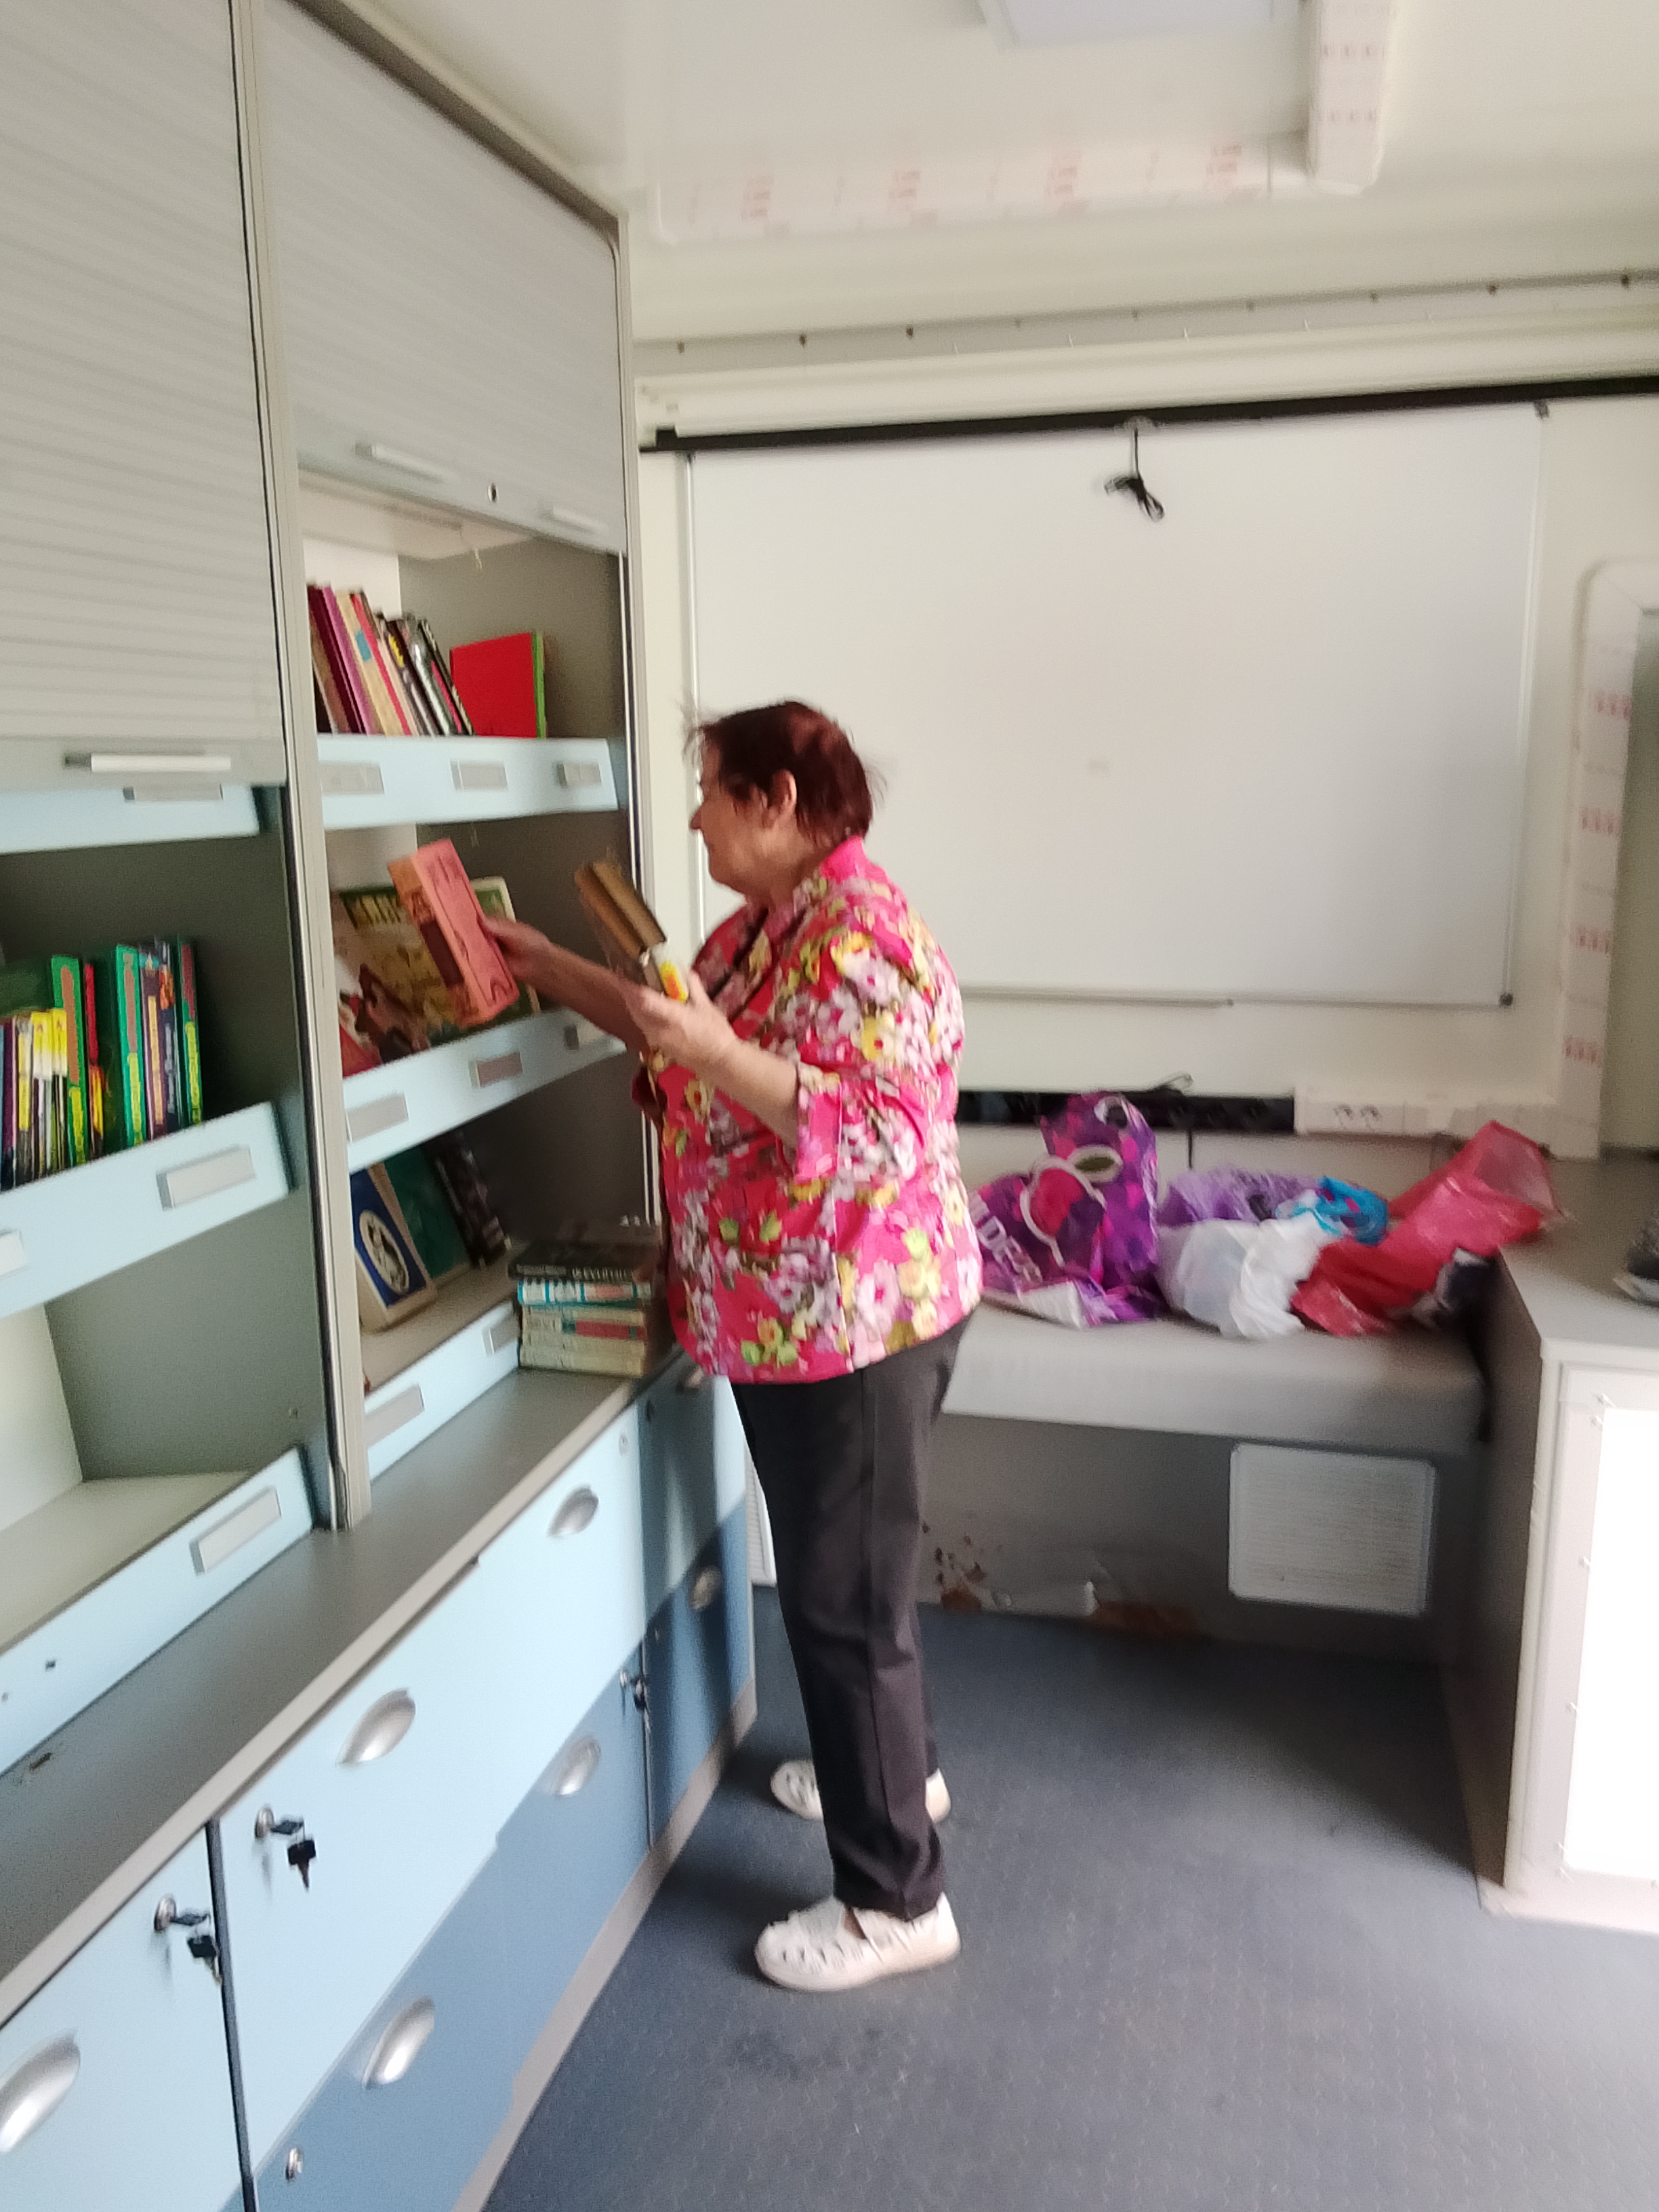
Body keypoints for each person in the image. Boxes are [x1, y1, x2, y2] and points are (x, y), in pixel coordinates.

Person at [488, 699, 981, 1993]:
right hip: (795, 1313)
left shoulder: (864, 938)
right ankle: (901, 1775)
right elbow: (676, 1021)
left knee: (843, 1601)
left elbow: (888, 1131)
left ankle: (895, 1902)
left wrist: (718, 1051)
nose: (697, 814)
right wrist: (546, 966)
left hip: (859, 1321)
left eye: (713, 790)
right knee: (852, 1585)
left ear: (777, 801)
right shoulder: (767, 925)